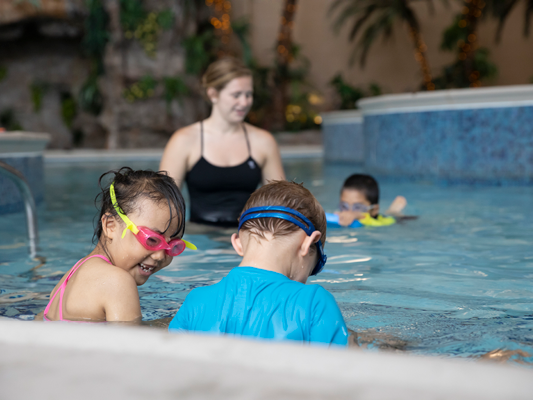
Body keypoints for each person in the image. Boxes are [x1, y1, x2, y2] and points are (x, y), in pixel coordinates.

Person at [168, 180, 349, 346]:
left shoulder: (196, 300)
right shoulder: (315, 303)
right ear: (307, 244)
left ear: (238, 244)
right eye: (314, 268)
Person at [36, 167, 196, 323]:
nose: (160, 255)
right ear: (110, 226)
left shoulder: (69, 277)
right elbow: (131, 345)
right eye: (152, 240)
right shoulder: (117, 281)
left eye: (173, 245)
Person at [160, 57, 285, 227]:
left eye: (248, 94)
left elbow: (282, 201)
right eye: (236, 95)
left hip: (246, 234)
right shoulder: (184, 140)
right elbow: (162, 203)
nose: (244, 102)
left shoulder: (263, 141)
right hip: (200, 236)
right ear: (213, 94)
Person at [328, 174, 407, 228]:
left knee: (392, 215)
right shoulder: (337, 216)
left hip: (387, 218)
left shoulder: (382, 223)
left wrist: (358, 216)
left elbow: (371, 222)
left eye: (358, 207)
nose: (349, 212)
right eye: (344, 206)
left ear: (374, 210)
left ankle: (393, 211)